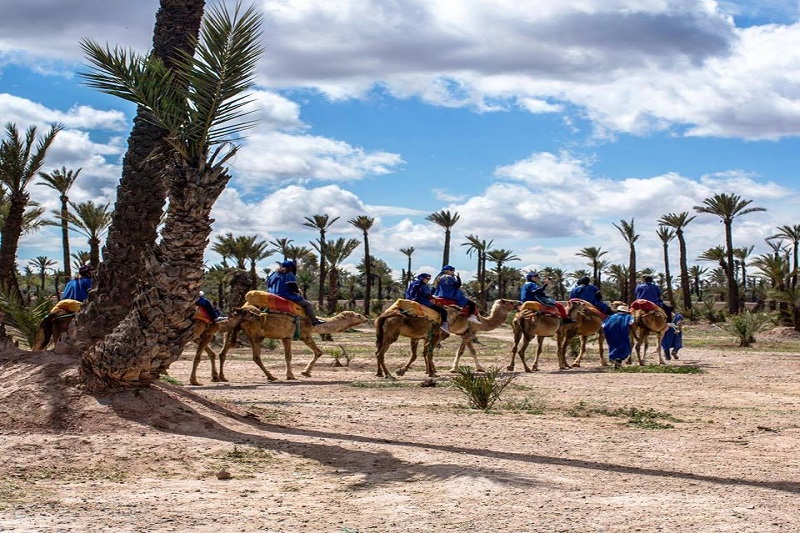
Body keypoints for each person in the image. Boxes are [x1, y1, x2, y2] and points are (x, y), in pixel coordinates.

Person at [267, 260, 325, 326]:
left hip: (271, 295)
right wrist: (298, 291)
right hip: (285, 295)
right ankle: (314, 321)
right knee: (308, 305)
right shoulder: (289, 274)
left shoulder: (274, 274)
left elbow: (268, 284)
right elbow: (292, 287)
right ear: (291, 268)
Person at [602, 304, 635, 368]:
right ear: (626, 311)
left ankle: (612, 357)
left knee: (613, 345)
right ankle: (618, 360)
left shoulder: (611, 316)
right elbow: (631, 323)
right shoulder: (628, 317)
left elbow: (603, 325)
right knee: (624, 347)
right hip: (622, 333)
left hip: (610, 333)